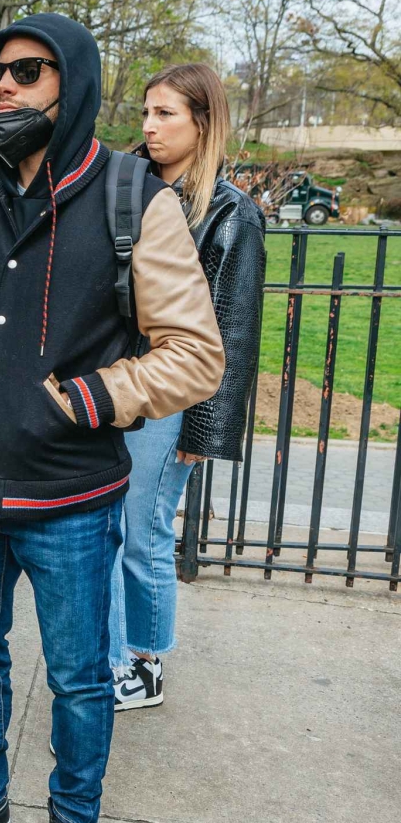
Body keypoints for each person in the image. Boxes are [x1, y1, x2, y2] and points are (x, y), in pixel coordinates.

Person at [0, 15, 224, 823]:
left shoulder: (133, 198)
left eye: (29, 70)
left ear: (70, 82)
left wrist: (80, 400)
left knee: (80, 678)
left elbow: (196, 354)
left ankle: (75, 821)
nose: (5, 85)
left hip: (71, 498)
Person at [109, 64, 265, 710]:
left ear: (203, 123)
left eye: (166, 113)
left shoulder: (229, 212)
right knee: (111, 525)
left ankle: (140, 663)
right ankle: (119, 655)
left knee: (139, 525)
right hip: (116, 383)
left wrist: (203, 429)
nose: (150, 125)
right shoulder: (127, 188)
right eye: (147, 112)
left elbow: (233, 329)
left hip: (172, 395)